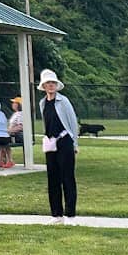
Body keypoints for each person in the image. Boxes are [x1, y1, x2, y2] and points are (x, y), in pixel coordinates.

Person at [38, 68, 80, 222]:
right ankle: (56, 214)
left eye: (53, 83)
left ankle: (70, 214)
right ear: (44, 86)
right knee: (53, 178)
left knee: (67, 177)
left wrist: (75, 143)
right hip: (50, 143)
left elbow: (72, 122)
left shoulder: (63, 101)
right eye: (48, 83)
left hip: (64, 141)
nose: (50, 85)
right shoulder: (43, 103)